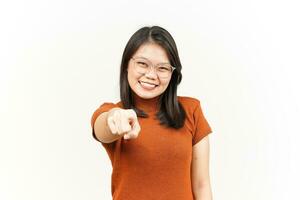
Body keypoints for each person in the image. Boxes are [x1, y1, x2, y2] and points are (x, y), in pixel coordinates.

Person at [90, 25, 213, 200]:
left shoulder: (192, 110)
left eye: (162, 68)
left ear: (172, 73)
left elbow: (202, 185)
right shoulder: (114, 112)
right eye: (142, 64)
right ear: (127, 64)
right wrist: (115, 117)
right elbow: (102, 127)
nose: (151, 75)